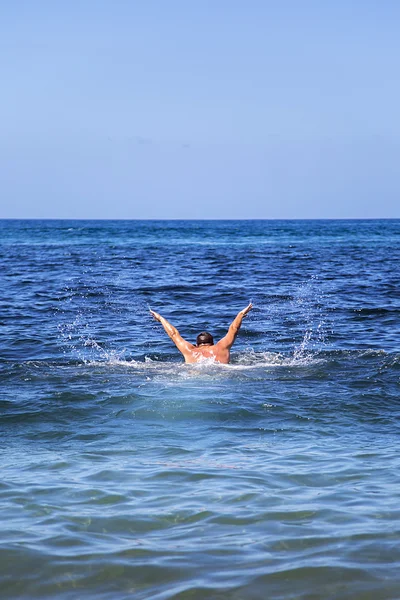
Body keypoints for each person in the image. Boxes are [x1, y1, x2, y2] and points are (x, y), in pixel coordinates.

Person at [150, 303, 252, 364]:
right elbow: (234, 329)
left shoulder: (190, 350)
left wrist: (160, 318)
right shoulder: (221, 348)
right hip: (221, 374)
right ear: (213, 343)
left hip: (196, 375)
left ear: (197, 345)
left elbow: (173, 334)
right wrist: (241, 314)